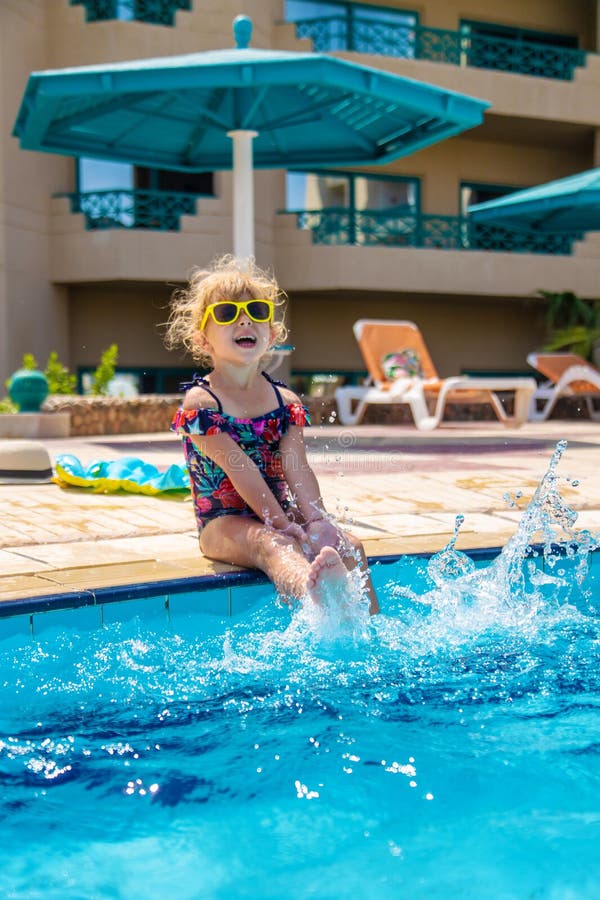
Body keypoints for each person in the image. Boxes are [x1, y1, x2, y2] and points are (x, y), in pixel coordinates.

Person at [165, 256, 379, 615]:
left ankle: (371, 626)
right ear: (203, 340)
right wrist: (281, 522)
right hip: (222, 524)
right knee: (273, 543)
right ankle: (315, 602)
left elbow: (297, 468)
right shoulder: (202, 404)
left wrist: (317, 522)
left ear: (272, 335)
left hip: (276, 512)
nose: (244, 319)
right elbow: (239, 468)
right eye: (226, 313)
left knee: (350, 544)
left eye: (256, 310)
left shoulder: (286, 402)